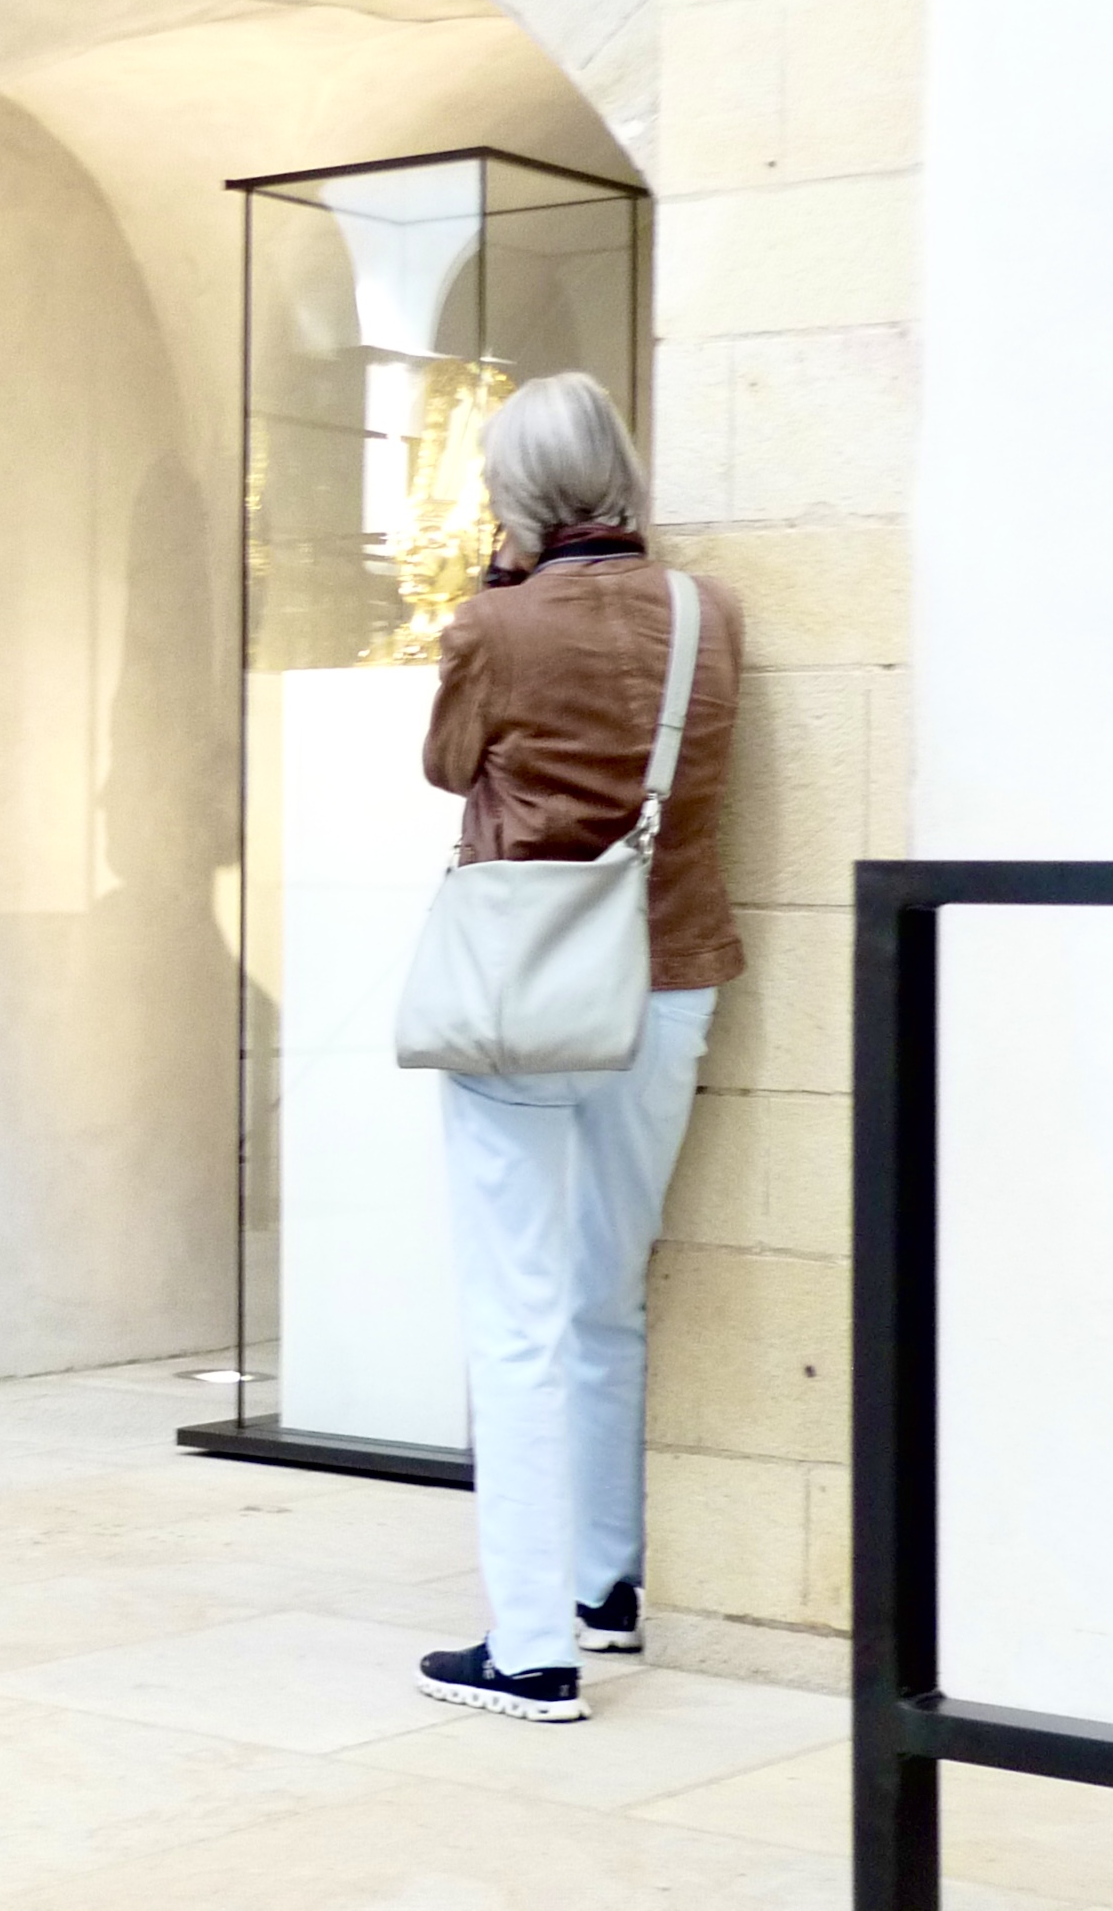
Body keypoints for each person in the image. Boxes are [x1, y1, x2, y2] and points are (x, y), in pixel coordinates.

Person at [410, 370, 744, 1724]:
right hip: (669, 977)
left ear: (516, 491)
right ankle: (607, 1584)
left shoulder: (496, 623)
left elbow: (446, 765)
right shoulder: (706, 613)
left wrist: (495, 590)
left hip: (528, 987)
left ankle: (530, 1646)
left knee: (518, 1317)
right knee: (607, 1294)